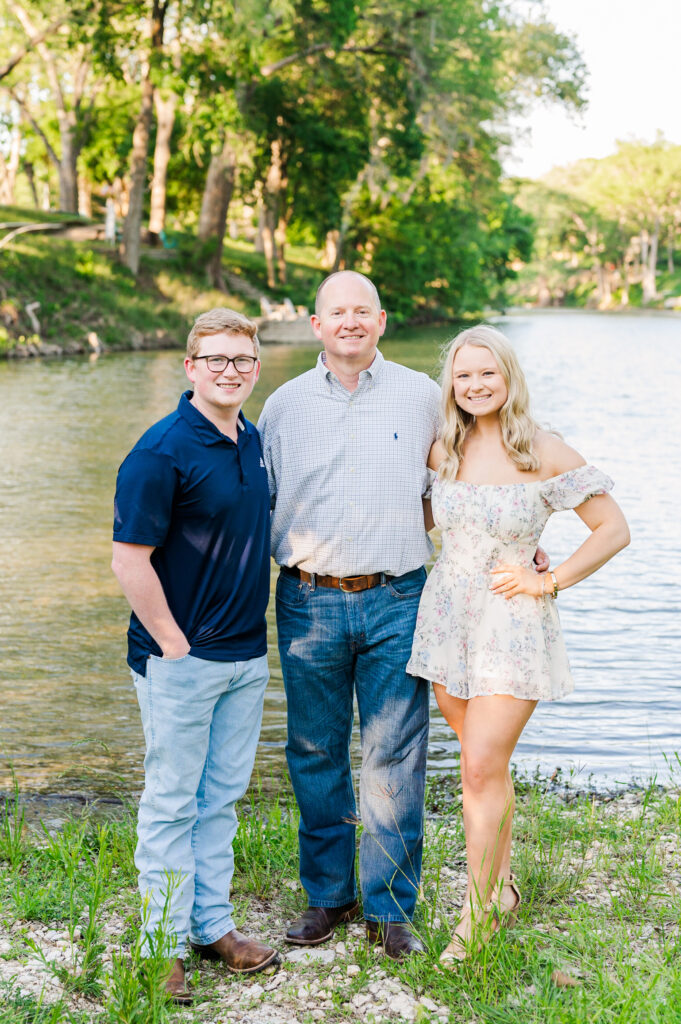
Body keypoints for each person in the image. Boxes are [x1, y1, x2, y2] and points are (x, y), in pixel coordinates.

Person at [406, 324, 630, 964]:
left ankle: (474, 917)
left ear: (509, 379)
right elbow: (421, 520)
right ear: (451, 383)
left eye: (488, 374)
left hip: (511, 621)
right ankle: (501, 889)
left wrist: (547, 578)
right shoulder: (440, 449)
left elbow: (613, 529)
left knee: (477, 766)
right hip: (447, 616)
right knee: (485, 768)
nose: (475, 386)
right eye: (464, 375)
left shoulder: (542, 449)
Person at [256, 270, 442, 959]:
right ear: (316, 324)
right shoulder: (282, 405)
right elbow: (255, 500)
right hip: (306, 599)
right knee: (313, 750)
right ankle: (328, 897)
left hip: (398, 595)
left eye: (362, 311)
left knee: (394, 753)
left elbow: (453, 480)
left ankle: (391, 908)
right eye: (337, 312)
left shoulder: (423, 396)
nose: (350, 322)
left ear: (382, 320)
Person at [112, 308, 277, 1004]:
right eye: (215, 359)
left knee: (222, 802)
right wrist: (174, 645)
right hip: (181, 660)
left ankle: (211, 927)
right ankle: (160, 949)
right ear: (190, 367)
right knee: (173, 804)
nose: (229, 370)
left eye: (241, 359)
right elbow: (128, 559)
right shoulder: (160, 452)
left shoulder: (251, 439)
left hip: (245, 655)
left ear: (255, 368)